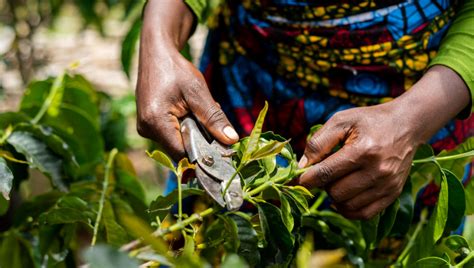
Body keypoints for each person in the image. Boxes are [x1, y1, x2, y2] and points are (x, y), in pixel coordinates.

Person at [135, 0, 473, 220]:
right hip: (248, 79)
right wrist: (158, 39)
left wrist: (411, 122)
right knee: (208, 228)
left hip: (419, 101)